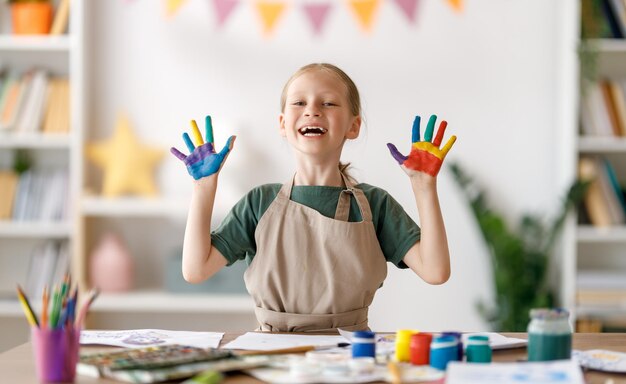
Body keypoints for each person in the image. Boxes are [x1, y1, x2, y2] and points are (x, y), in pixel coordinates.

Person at [170, 63, 456, 332]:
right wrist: (204, 187)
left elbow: (435, 271)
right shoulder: (258, 203)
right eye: (299, 103)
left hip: (350, 354)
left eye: (328, 102)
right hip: (272, 352)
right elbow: (196, 270)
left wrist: (424, 185)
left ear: (353, 126)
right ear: (283, 124)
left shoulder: (374, 205)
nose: (312, 110)